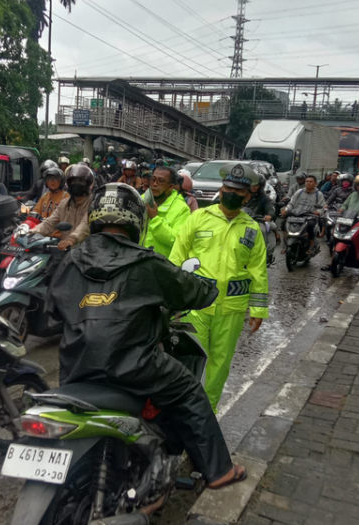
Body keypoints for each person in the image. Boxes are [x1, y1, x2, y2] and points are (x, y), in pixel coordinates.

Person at [46, 182, 245, 488]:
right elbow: (192, 291)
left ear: (96, 218)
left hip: (76, 366)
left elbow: (54, 310)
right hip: (134, 366)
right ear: (137, 220)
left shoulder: (71, 259)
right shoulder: (146, 262)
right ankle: (220, 471)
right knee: (190, 391)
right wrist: (209, 286)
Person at [169, 164, 268, 411]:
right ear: (221, 191)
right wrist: (171, 299)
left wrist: (258, 310)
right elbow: (176, 257)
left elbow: (258, 271)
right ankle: (185, 411)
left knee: (220, 365)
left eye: (238, 191)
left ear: (248, 196)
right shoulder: (198, 218)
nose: (231, 193)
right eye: (227, 188)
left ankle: (208, 414)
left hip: (232, 309)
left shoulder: (252, 229)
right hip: (196, 306)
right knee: (191, 359)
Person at [32, 163, 94, 250]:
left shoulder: (93, 203)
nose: (76, 184)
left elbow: (85, 225)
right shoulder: (64, 204)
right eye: (73, 181)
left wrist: (71, 239)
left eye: (80, 181)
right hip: (65, 249)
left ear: (88, 183)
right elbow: (49, 222)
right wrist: (31, 232)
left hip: (86, 251)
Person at [142, 166, 190, 257]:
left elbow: (177, 241)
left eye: (161, 181)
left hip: (162, 265)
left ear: (171, 187)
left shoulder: (182, 209)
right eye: (153, 179)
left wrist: (155, 219)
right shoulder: (142, 199)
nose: (155, 184)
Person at [280, 174, 325, 255]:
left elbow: (322, 207)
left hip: (309, 216)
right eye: (307, 181)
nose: (308, 183)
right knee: (283, 224)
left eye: (311, 182)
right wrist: (286, 210)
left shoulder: (319, 194)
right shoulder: (299, 192)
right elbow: (291, 204)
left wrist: (318, 211)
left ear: (315, 183)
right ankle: (285, 244)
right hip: (296, 214)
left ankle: (311, 246)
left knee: (310, 226)